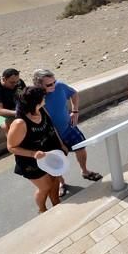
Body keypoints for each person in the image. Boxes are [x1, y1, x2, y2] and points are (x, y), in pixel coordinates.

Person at [33, 69, 102, 197]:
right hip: (51, 137)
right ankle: (61, 183)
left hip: (69, 128)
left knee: (81, 148)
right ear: (38, 85)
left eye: (54, 82)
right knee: (56, 161)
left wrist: (75, 111)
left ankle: (85, 171)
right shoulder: (35, 99)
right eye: (49, 84)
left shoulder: (60, 86)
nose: (53, 85)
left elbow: (74, 94)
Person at [7, 86, 67, 213]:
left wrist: (61, 145)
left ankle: (57, 204)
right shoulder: (20, 123)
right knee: (45, 187)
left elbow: (52, 127)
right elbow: (11, 147)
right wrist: (33, 153)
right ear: (36, 101)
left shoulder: (41, 109)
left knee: (55, 179)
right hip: (31, 161)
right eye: (43, 97)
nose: (45, 98)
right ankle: (42, 209)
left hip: (49, 153)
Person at [0, 68, 26, 134]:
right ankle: (12, 144)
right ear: (3, 79)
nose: (15, 84)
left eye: (17, 81)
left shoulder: (19, 82)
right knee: (7, 125)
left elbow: (25, 96)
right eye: (12, 82)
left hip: (14, 107)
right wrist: (17, 112)